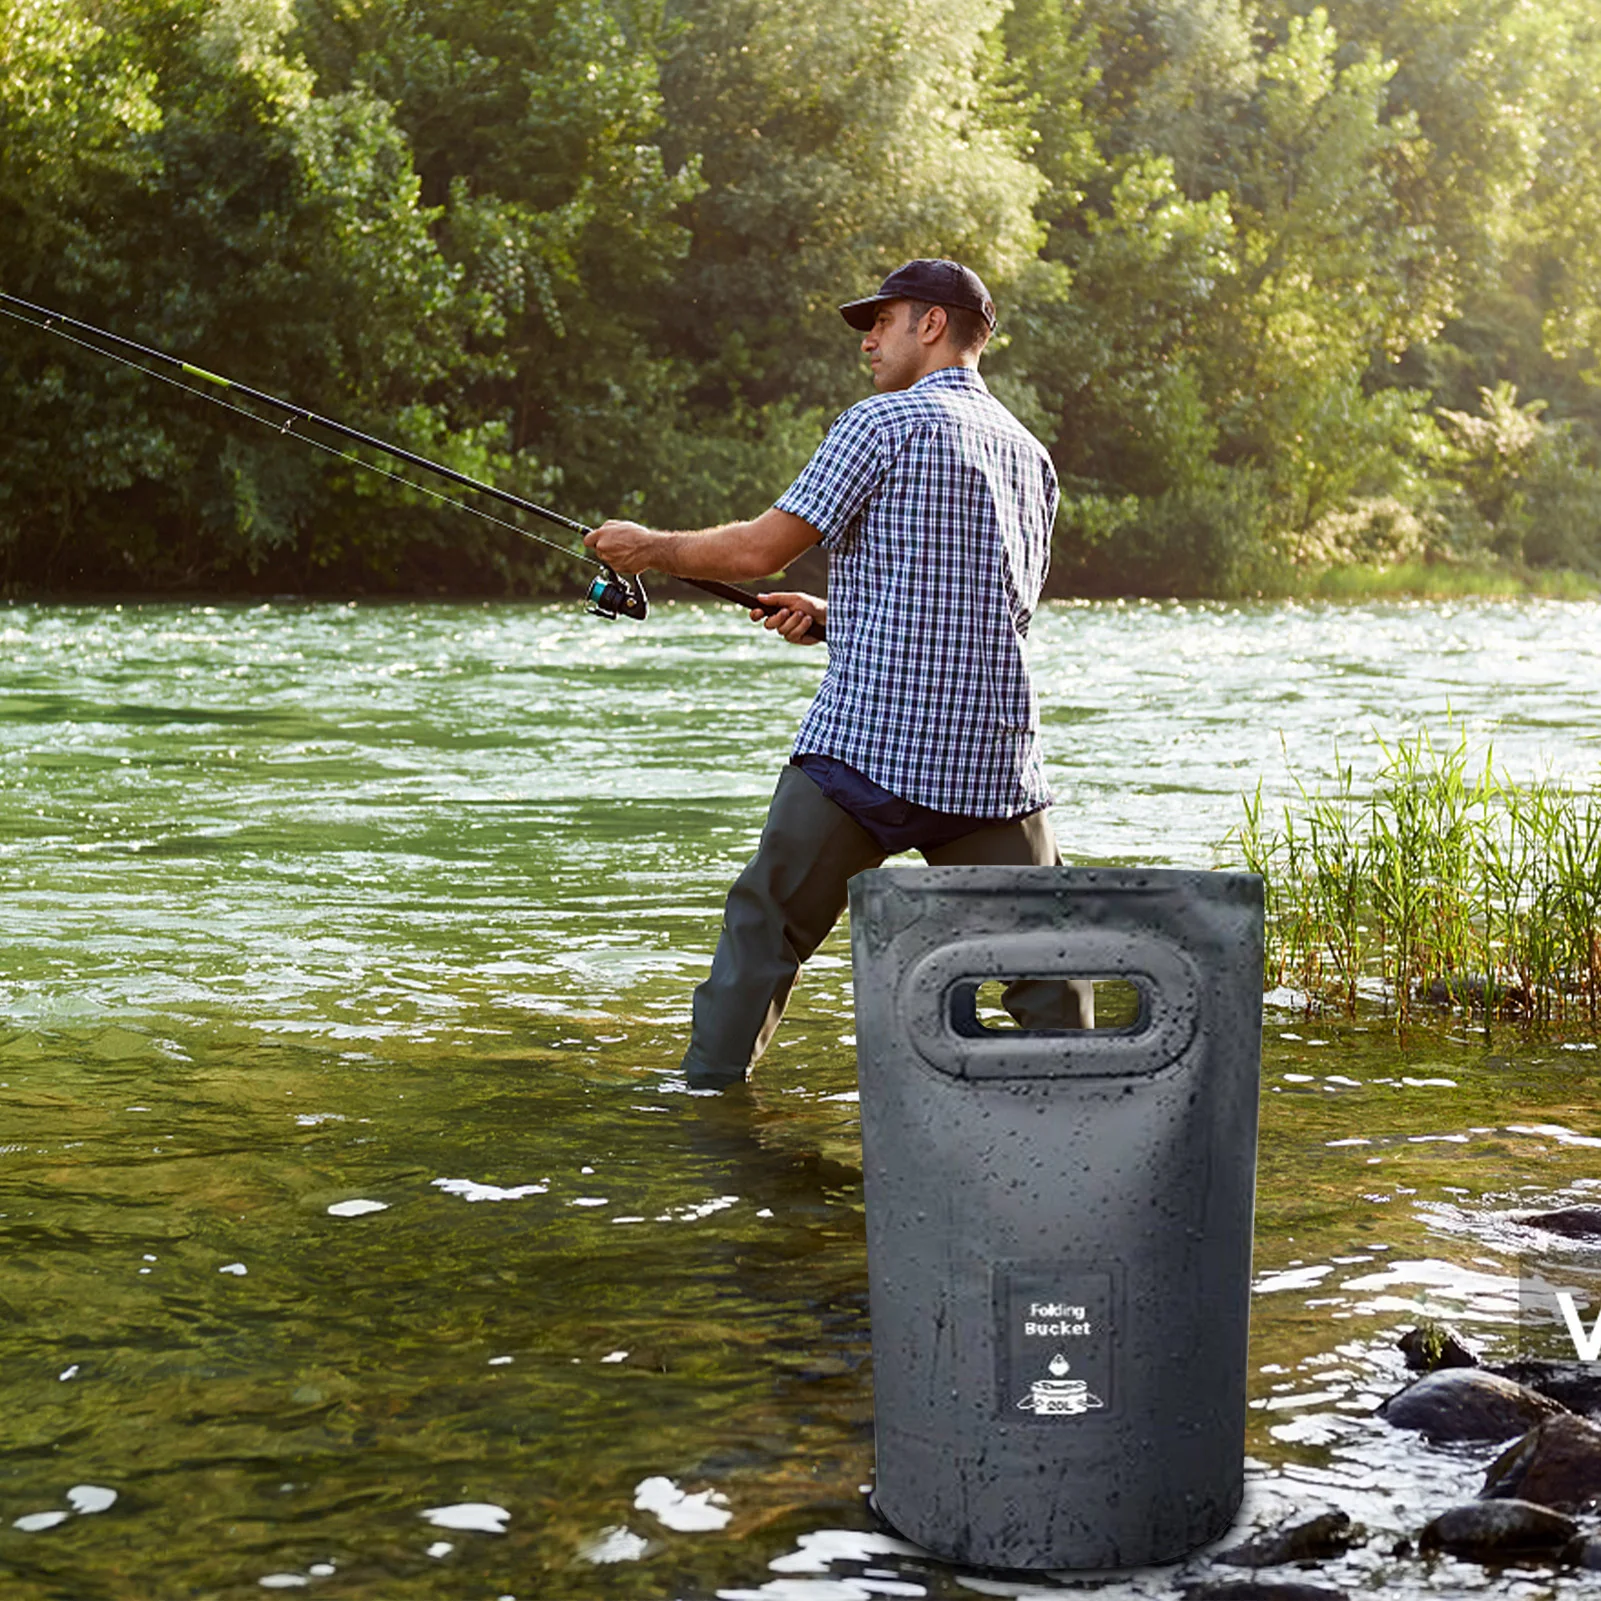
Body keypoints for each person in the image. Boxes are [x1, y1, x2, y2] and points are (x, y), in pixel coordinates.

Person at [586, 257, 1090, 1088]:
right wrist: (837, 617)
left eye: (881, 320)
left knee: (767, 925)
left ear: (931, 325)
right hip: (992, 757)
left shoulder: (879, 425)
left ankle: (711, 1107)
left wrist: (653, 547)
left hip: (868, 746)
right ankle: (1081, 1110)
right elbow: (993, 611)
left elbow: (757, 549)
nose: (866, 340)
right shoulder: (1031, 456)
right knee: (1042, 961)